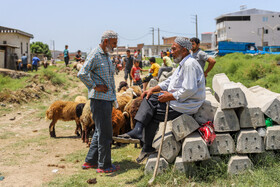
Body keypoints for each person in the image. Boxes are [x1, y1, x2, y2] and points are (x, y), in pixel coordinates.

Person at [118, 37, 205, 163]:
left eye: (174, 49)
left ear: (184, 50)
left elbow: (190, 89)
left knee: (150, 110)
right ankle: (142, 139)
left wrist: (170, 96)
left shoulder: (189, 64)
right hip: (179, 101)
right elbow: (170, 81)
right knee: (149, 98)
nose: (171, 51)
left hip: (185, 105)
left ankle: (141, 136)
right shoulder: (183, 63)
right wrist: (153, 89)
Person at [77, 30, 120, 173]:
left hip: (106, 100)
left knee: (99, 132)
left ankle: (90, 161)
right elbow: (82, 73)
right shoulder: (95, 54)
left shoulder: (106, 55)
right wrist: (95, 86)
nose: (115, 46)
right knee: (105, 134)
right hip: (99, 100)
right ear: (106, 41)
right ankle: (105, 165)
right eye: (114, 43)